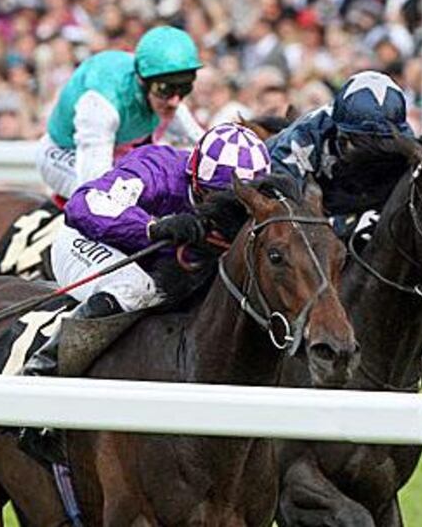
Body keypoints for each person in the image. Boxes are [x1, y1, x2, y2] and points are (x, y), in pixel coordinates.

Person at [17, 122, 271, 461]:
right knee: (136, 287)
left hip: (154, 266)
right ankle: (39, 379)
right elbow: (85, 204)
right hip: (85, 242)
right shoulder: (155, 168)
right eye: (217, 200)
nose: (229, 215)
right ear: (194, 177)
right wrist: (153, 227)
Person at [36, 25, 206, 201]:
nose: (175, 101)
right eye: (164, 89)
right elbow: (96, 187)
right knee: (112, 202)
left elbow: (204, 143)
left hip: (117, 150)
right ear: (142, 81)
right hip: (64, 152)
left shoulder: (163, 89)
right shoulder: (102, 105)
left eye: (185, 87)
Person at [265, 70, 414, 235]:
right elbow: (284, 201)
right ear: (342, 135)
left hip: (352, 197)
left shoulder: (402, 140)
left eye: (384, 142)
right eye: (367, 142)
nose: (375, 154)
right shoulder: (303, 137)